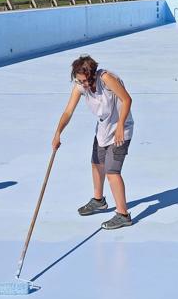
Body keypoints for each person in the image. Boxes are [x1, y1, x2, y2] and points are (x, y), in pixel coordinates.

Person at [53, 55, 135, 230]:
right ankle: (99, 201)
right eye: (78, 80)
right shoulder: (80, 86)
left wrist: (120, 125)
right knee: (97, 163)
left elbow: (127, 99)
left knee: (112, 171)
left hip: (121, 129)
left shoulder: (105, 79)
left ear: (91, 76)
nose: (81, 84)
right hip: (103, 130)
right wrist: (58, 133)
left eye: (83, 80)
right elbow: (68, 112)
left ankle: (123, 215)